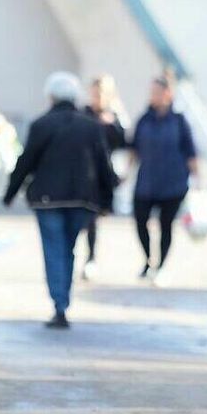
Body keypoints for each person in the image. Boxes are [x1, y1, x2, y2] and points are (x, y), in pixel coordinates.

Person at [3, 71, 117, 329]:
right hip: (81, 200)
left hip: (48, 200)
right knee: (69, 249)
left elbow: (26, 161)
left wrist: (11, 193)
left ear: (51, 96)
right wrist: (108, 200)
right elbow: (104, 165)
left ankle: (60, 305)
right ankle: (63, 300)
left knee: (54, 250)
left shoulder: (41, 124)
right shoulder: (91, 126)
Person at [130, 74, 201, 287]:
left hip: (173, 182)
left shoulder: (179, 121)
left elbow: (190, 152)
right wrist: (126, 174)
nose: (153, 96)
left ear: (168, 94)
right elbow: (134, 149)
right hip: (147, 181)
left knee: (165, 225)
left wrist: (199, 180)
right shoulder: (144, 119)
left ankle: (160, 266)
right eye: (151, 92)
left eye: (157, 92)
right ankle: (148, 260)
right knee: (141, 220)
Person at [80, 75, 127, 280]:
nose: (96, 96)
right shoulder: (83, 113)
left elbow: (123, 143)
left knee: (92, 218)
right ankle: (84, 257)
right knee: (83, 217)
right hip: (83, 172)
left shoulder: (115, 117)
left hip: (102, 175)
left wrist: (111, 124)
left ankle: (90, 258)